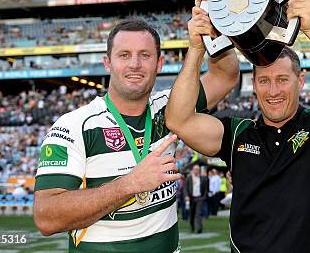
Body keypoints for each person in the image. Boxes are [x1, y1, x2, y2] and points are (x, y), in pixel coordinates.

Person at [166, 0, 310, 252]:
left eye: (282, 80)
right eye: (264, 81)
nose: (273, 91)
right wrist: (197, 47)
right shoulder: (238, 133)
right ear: (253, 85)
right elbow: (178, 120)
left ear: (301, 81)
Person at [33, 18, 239, 252]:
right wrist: (129, 184)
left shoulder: (171, 108)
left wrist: (216, 26)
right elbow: (46, 216)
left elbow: (224, 76)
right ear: (107, 63)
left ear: (159, 63)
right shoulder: (75, 125)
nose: (135, 64)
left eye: (145, 55)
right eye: (124, 55)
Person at [184, 164, 208, 233]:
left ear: (199, 170)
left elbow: (205, 189)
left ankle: (199, 228)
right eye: (195, 169)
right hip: (191, 198)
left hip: (199, 198)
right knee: (192, 214)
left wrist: (204, 197)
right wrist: (186, 196)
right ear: (192, 170)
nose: (196, 171)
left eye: (197, 169)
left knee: (198, 213)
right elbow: (185, 188)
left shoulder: (203, 178)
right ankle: (192, 226)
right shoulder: (189, 178)